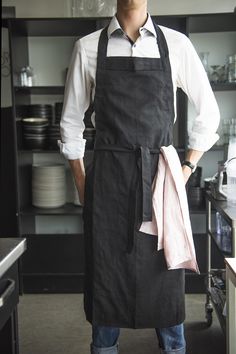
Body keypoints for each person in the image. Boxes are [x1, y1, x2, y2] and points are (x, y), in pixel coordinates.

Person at [59, 1, 220, 353]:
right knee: (106, 282)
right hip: (108, 183)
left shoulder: (177, 45)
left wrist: (187, 166)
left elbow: (209, 113)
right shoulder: (87, 48)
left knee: (165, 284)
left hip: (159, 182)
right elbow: (71, 122)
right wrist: (84, 185)